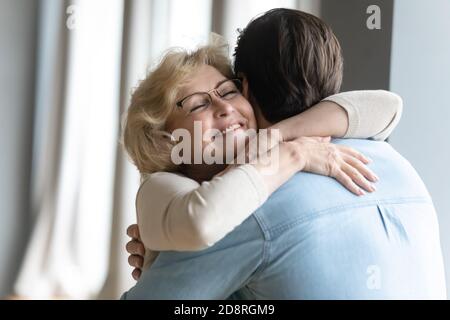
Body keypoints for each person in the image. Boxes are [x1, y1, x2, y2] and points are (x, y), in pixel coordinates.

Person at [122, 9, 446, 299]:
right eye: (198, 104)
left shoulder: (255, 204)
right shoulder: (394, 162)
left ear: (246, 90)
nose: (223, 108)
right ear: (164, 139)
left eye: (228, 91)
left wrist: (160, 268)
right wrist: (292, 151)